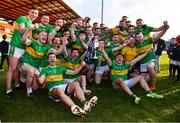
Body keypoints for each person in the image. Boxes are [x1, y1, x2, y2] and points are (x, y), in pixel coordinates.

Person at [6, 7, 39, 99]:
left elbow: (29, 37)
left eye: (36, 13)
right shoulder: (22, 18)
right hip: (15, 46)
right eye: (33, 12)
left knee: (18, 67)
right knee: (12, 68)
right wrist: (30, 28)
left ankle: (17, 84)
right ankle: (8, 90)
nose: (34, 15)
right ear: (28, 12)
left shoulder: (31, 23)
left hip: (24, 48)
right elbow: (21, 30)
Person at [135, 22, 169, 90]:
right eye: (137, 37)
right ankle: (149, 76)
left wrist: (165, 29)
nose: (139, 38)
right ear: (135, 38)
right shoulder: (135, 44)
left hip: (151, 59)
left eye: (140, 36)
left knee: (150, 67)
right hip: (143, 62)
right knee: (142, 83)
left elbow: (158, 35)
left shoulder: (148, 40)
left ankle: (153, 83)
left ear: (143, 36)